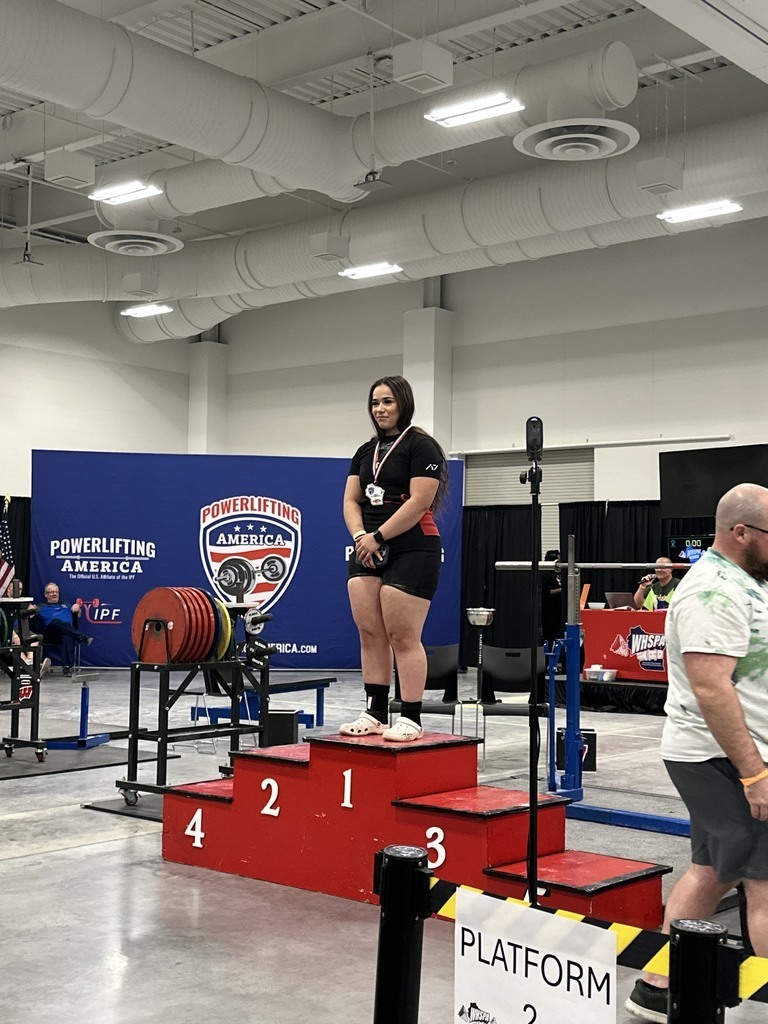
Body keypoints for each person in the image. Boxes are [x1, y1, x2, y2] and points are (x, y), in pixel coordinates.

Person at [626, 483, 768, 1022]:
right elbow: (711, 688)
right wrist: (754, 774)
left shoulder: (748, 581)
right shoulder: (712, 592)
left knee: (712, 869)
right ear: (741, 532)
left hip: (728, 754)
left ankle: (657, 987)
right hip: (723, 757)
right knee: (764, 878)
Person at [340, 375, 448, 743]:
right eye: (375, 403)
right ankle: (375, 712)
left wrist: (379, 536)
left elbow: (419, 502)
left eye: (387, 401)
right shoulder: (364, 451)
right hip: (367, 546)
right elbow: (350, 500)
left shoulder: (422, 446)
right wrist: (361, 537)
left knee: (402, 635)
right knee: (370, 632)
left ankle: (411, 717)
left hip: (412, 547)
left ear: (403, 404)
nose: (380, 409)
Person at [32, 582, 92, 675]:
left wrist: (78, 608)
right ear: (46, 594)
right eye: (52, 592)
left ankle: (67, 668)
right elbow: (29, 616)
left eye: (56, 592)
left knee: (66, 636)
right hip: (49, 634)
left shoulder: (66, 604)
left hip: (65, 633)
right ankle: (81, 637)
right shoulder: (40, 607)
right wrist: (31, 609)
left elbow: (78, 615)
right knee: (56, 622)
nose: (55, 594)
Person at [540, 549, 564, 665]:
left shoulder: (558, 574)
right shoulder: (544, 574)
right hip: (548, 612)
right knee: (549, 637)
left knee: (558, 636)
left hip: (558, 610)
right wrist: (562, 590)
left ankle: (558, 661)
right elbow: (546, 592)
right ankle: (548, 662)